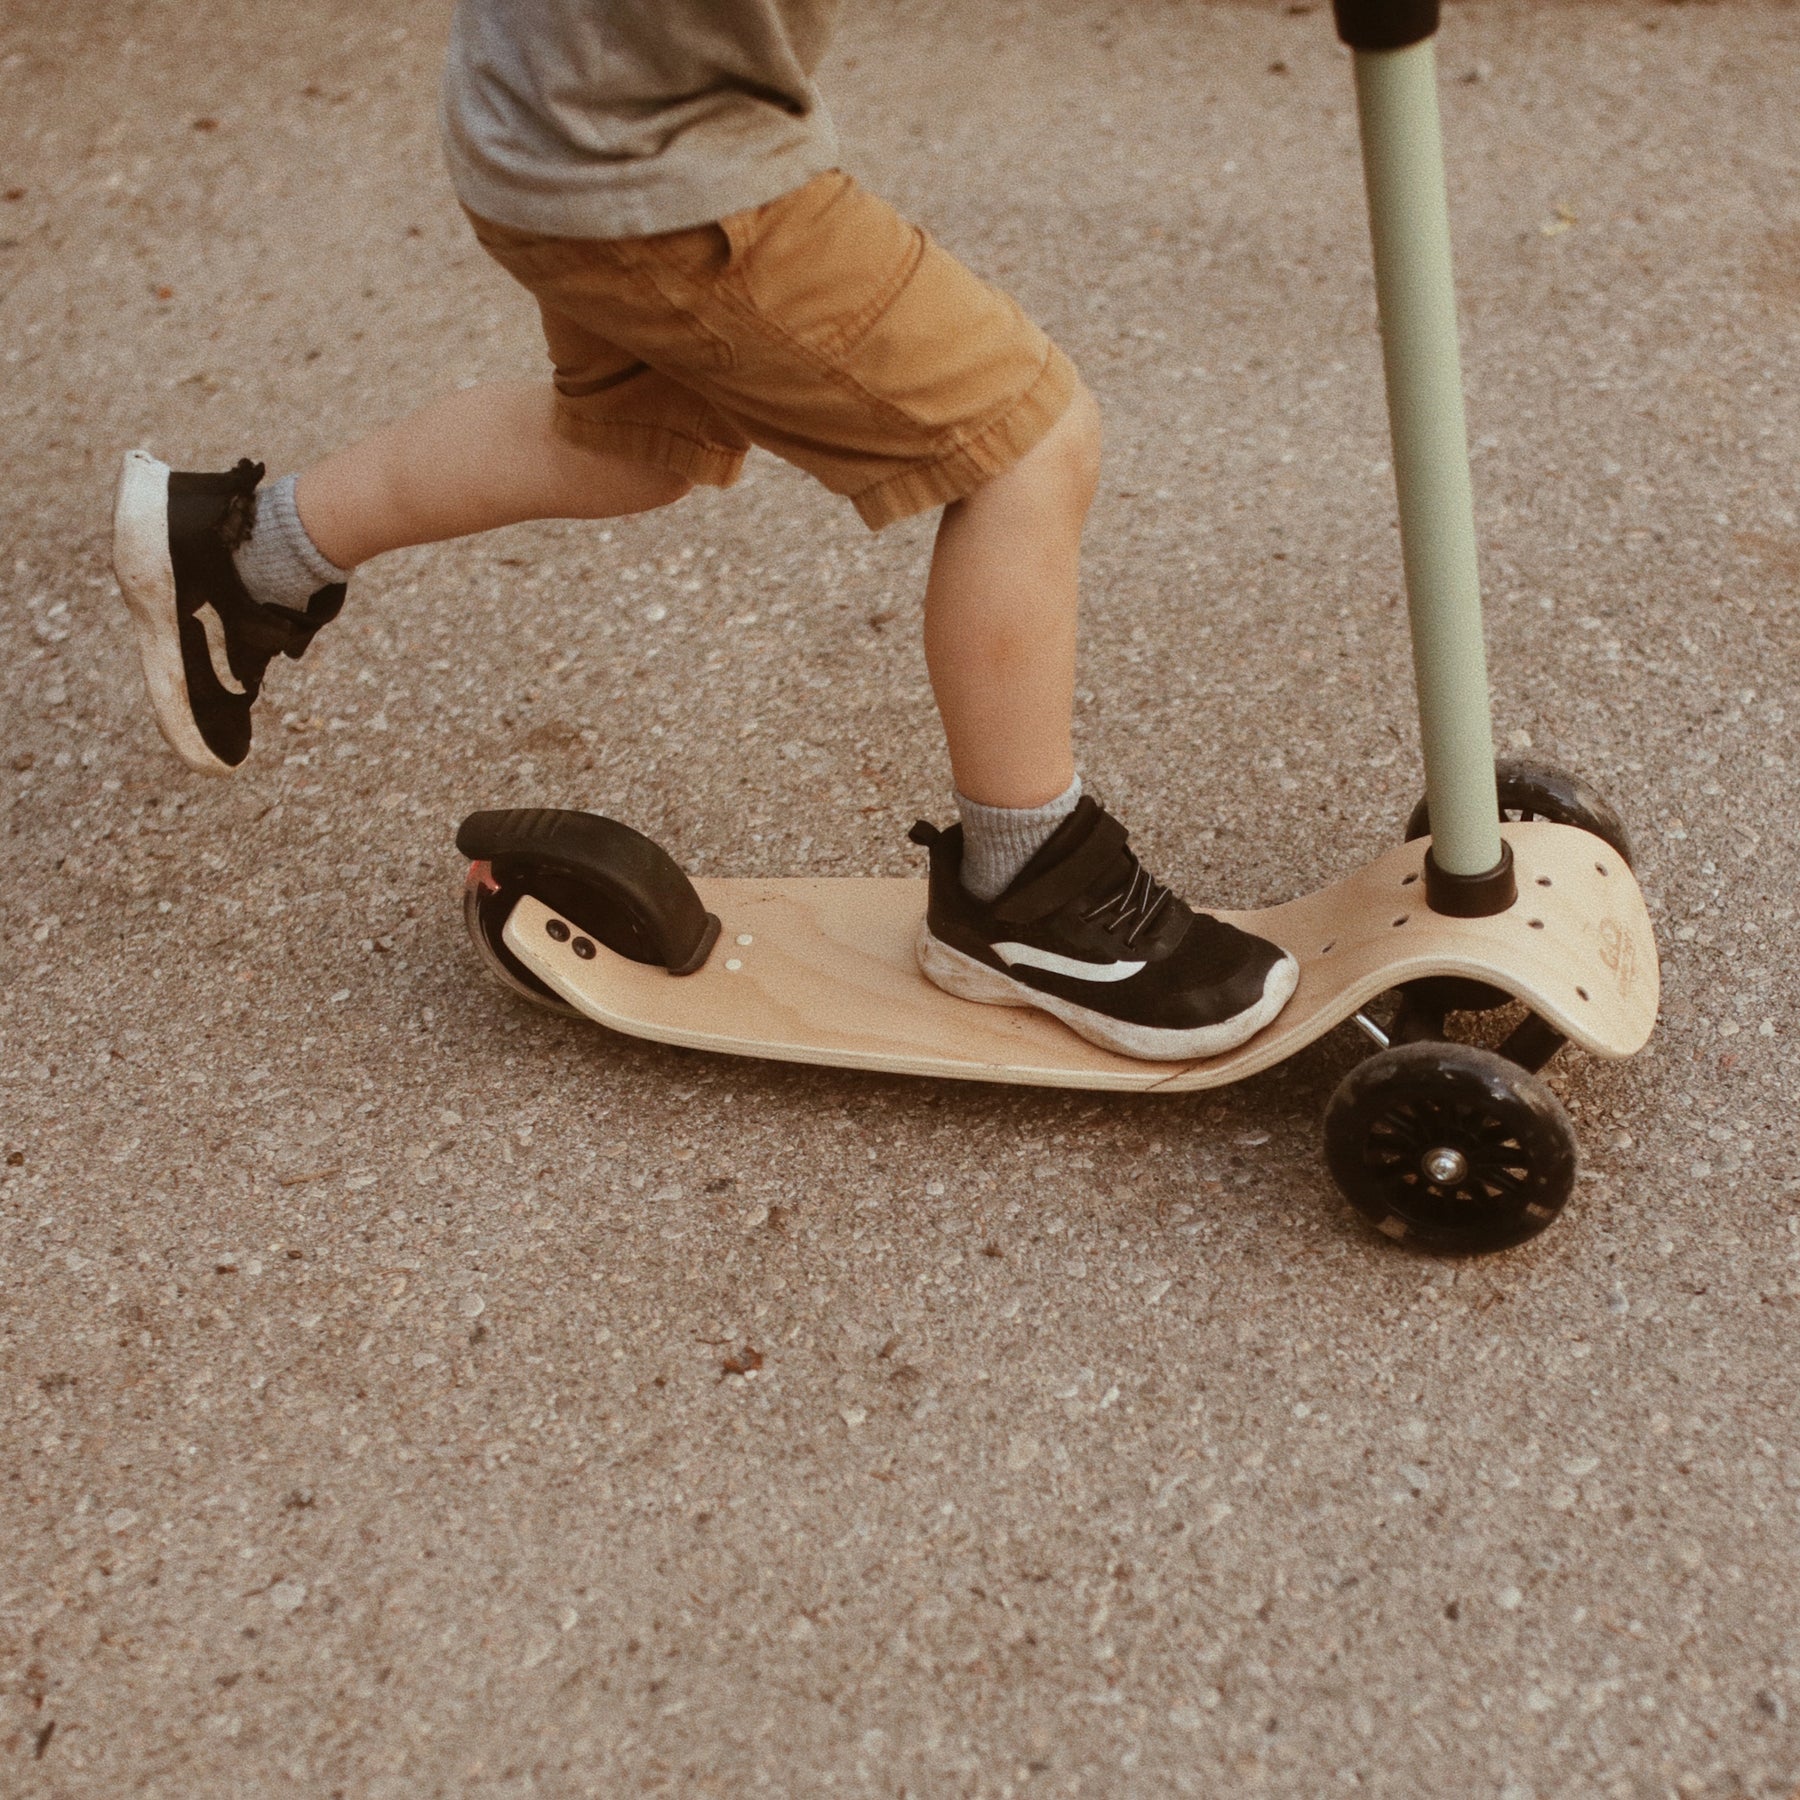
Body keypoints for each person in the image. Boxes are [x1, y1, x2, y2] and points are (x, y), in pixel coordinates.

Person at [111, 0, 1296, 1062]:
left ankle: (247, 550)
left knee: (626, 447)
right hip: (664, 171)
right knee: (1029, 443)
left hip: (552, 132)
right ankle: (1031, 886)